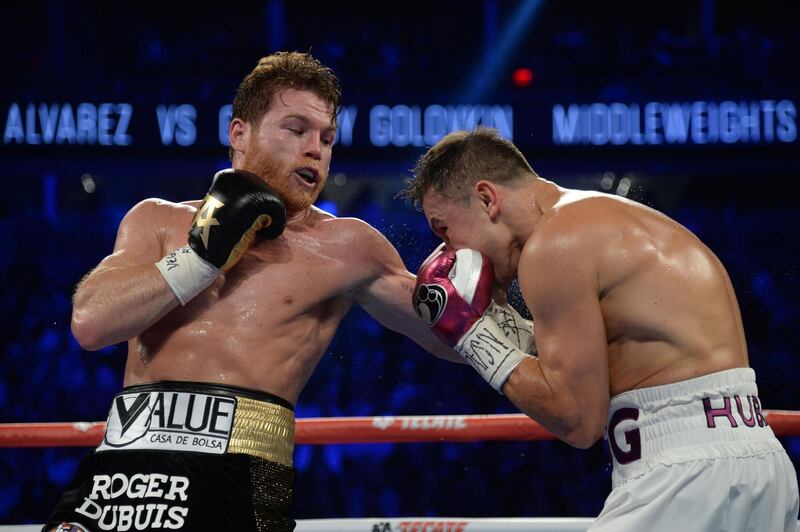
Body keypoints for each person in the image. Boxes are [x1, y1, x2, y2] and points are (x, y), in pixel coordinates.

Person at [43, 51, 456, 532]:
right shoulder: (156, 219)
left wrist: (521, 307)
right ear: (239, 134)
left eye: (327, 138)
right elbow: (91, 324)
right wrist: (199, 258)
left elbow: (448, 335)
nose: (315, 150)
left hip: (242, 473)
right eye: (296, 129)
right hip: (122, 473)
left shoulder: (348, 246)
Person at [405, 127, 799, 531]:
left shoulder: (553, 246)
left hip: (687, 478)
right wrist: (493, 319)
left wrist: (470, 334)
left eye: (444, 229)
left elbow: (578, 420)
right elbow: (579, 364)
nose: (449, 252)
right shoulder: (595, 219)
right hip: (757, 463)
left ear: (487, 199)